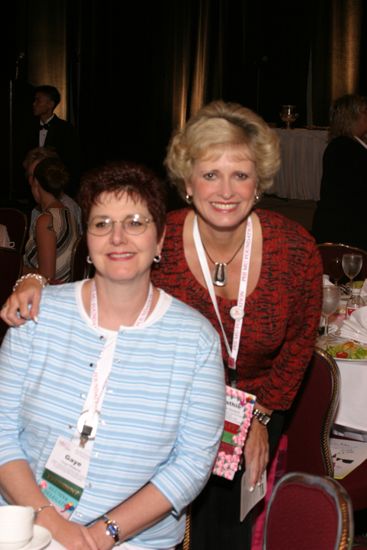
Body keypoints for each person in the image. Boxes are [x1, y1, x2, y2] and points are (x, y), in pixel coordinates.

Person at [1, 101, 323, 549]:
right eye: (210, 174)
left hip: (256, 402)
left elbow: (300, 340)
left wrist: (263, 416)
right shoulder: (154, 233)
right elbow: (102, 278)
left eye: (241, 175)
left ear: (259, 182)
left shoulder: (294, 248)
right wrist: (31, 277)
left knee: (231, 529)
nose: (225, 190)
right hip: (156, 407)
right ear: (188, 183)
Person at [0, 161, 225, 550]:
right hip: (24, 525)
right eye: (102, 223)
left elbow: (191, 464)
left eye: (136, 222)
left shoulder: (196, 342)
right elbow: (2, 434)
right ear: (88, 239)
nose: (118, 237)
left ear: (159, 242)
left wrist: (104, 534)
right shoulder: (36, 317)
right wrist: (53, 525)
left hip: (135, 541)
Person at [312, 93, 367, 249]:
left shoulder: (350, 145)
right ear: (354, 117)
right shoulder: (343, 148)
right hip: (345, 229)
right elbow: (355, 191)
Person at [23, 156, 79, 282]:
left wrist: (15, 267)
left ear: (36, 183)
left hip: (48, 296)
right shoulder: (68, 213)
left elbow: (47, 277)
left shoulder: (46, 220)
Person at [29, 85, 80, 195]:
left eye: (38, 100)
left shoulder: (66, 129)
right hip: (32, 186)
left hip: (57, 186)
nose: (34, 104)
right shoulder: (27, 127)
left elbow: (73, 160)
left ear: (50, 104)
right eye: (34, 100)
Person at [24, 147, 83, 235]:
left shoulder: (69, 208)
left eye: (39, 175)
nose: (35, 181)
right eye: (31, 175)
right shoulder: (36, 211)